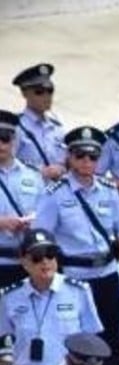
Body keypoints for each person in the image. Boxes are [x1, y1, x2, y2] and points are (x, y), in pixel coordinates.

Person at [34, 126, 119, 350]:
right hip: (75, 275)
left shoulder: (109, 190)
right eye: (80, 155)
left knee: (109, 337)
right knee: (77, 339)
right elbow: (42, 237)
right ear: (69, 157)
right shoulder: (55, 194)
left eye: (92, 156)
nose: (86, 161)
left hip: (108, 274)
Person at [0, 229, 103, 365]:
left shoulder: (78, 291)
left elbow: (91, 341)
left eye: (50, 254)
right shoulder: (9, 297)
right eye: (37, 256)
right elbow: (3, 343)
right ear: (24, 261)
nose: (45, 261)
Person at [0, 109, 46, 289]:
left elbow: (45, 212)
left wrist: (33, 221)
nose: (0, 144)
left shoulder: (33, 175)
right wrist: (2, 223)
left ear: (14, 140)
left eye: (5, 138)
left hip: (27, 262)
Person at [12, 63, 66, 180]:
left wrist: (61, 168)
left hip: (56, 194)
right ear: (25, 93)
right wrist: (38, 172)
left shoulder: (57, 128)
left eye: (50, 90)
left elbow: (68, 161)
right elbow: (6, 164)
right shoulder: (16, 127)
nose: (46, 96)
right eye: (39, 91)